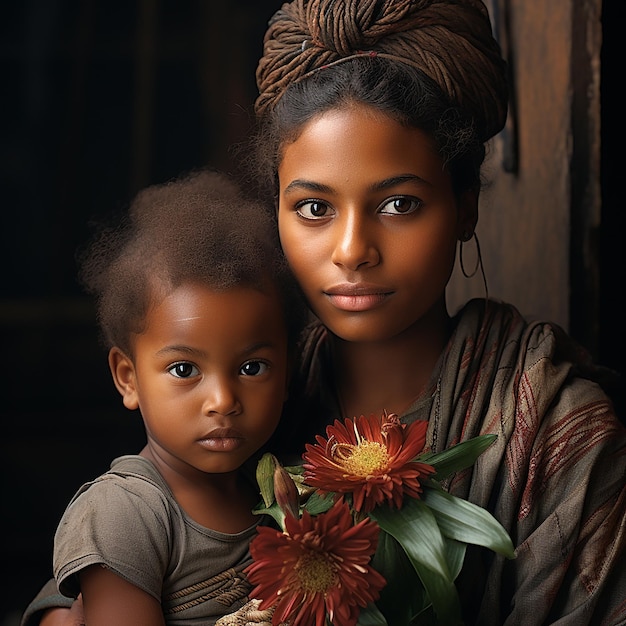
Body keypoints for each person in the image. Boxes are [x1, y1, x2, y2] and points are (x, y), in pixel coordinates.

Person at [22, 0, 626, 624]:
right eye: (314, 209)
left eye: (398, 206)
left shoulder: (559, 438)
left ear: (465, 205)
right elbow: (114, 562)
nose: (351, 252)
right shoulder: (251, 398)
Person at [27, 168, 306, 626]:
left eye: (252, 368)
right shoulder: (124, 515)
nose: (222, 400)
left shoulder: (288, 489)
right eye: (184, 370)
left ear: (288, 370)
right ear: (128, 378)